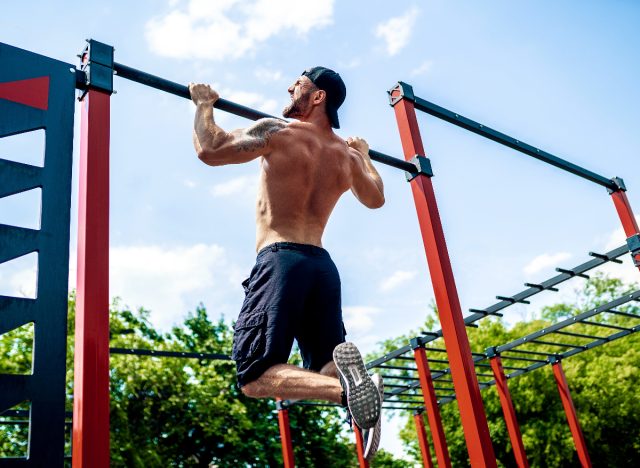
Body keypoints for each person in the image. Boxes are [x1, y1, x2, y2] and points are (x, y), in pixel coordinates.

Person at [189, 67, 385, 459]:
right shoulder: (346, 158)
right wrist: (364, 156)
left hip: (281, 261)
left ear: (318, 98)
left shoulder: (278, 133)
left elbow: (210, 149)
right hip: (321, 267)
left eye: (299, 83)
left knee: (254, 375)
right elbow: (376, 197)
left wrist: (203, 105)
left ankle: (348, 390)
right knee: (328, 364)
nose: (290, 87)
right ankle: (351, 387)